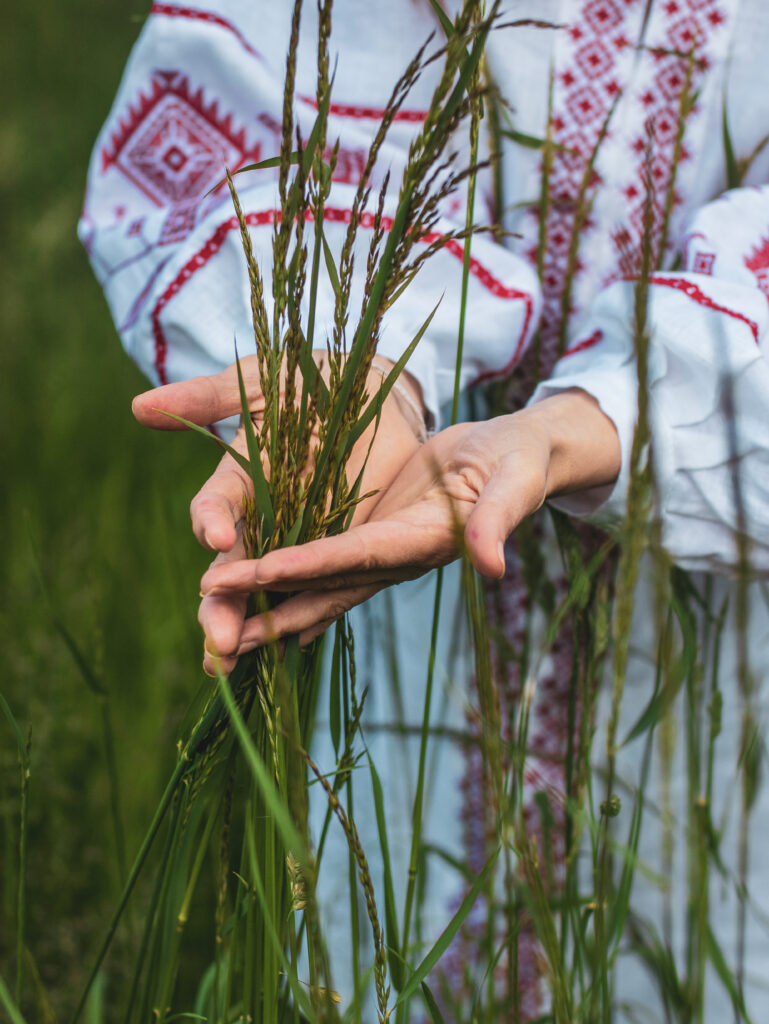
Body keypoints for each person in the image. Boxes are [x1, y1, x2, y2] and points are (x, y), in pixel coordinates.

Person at [81, 0, 769, 1018]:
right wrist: (359, 362)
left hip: (730, 671)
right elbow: (271, 79)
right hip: (417, 595)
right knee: (399, 920)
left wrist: (591, 426)